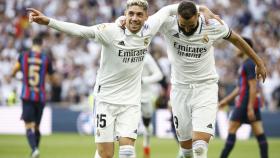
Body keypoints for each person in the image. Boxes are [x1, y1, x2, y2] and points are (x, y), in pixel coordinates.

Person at [27, 1, 219, 157]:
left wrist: (203, 9)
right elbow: (80, 30)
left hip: (130, 103)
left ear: (146, 18)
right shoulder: (110, 31)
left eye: (139, 14)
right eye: (131, 14)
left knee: (127, 152)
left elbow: (172, 8)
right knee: (106, 154)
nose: (135, 18)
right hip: (105, 101)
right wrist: (49, 22)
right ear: (125, 15)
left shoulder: (150, 28)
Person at [157, 1, 267, 158]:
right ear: (177, 18)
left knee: (200, 147)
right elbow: (144, 23)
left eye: (191, 25)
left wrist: (258, 61)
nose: (187, 29)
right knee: (186, 150)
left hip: (205, 88)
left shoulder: (212, 25)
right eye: (183, 25)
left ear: (198, 16)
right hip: (180, 90)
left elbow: (236, 39)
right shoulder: (168, 24)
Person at [219, 37, 268, 158]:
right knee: (259, 134)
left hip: (245, 104)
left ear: (243, 47)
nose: (236, 49)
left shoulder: (249, 64)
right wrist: (226, 101)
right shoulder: (246, 64)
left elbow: (253, 86)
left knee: (231, 129)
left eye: (237, 47)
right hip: (250, 103)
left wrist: (250, 107)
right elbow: (241, 87)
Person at [10, 36, 55, 158]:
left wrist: (16, 75)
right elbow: (52, 79)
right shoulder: (46, 58)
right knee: (37, 126)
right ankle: (35, 150)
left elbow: (14, 70)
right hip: (40, 97)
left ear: (32, 44)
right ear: (42, 44)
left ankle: (34, 149)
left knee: (28, 125)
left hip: (27, 96)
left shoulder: (23, 55)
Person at [141, 53, 163, 158]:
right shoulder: (123, 51)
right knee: (129, 127)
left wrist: (143, 80)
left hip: (145, 96)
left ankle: (146, 144)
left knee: (147, 125)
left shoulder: (146, 56)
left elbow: (159, 75)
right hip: (129, 96)